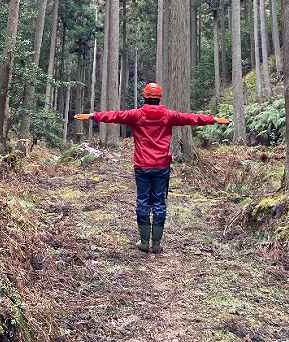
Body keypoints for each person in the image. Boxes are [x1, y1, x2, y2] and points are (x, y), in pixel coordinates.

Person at [75, 82, 230, 254]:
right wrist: (213, 119)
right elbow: (191, 118)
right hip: (161, 166)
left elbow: (115, 116)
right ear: (159, 98)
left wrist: (93, 115)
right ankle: (156, 244)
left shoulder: (136, 114)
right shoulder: (168, 115)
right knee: (159, 203)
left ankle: (144, 242)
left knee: (143, 201)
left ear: (145, 97)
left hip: (142, 166)